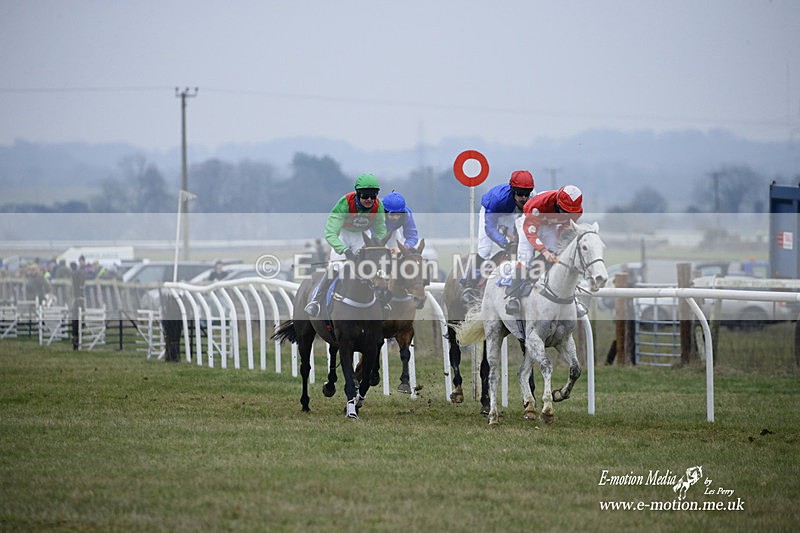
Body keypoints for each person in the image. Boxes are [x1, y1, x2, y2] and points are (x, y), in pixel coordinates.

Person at [304, 173, 388, 317]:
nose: (369, 199)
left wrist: (376, 246)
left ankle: (381, 302)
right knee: (336, 266)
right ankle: (316, 301)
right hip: (343, 234)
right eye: (365, 195)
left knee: (373, 267)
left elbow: (381, 231)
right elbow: (331, 233)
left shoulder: (378, 206)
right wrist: (344, 250)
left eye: (373, 195)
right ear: (357, 194)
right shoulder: (345, 204)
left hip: (362, 235)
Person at [504, 184, 585, 314]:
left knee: (557, 255)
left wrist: (557, 248)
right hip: (529, 223)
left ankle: (570, 297)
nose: (566, 214)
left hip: (550, 226)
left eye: (569, 212)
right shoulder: (538, 204)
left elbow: (565, 227)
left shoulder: (577, 212)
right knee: (526, 258)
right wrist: (544, 251)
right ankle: (513, 298)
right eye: (564, 210)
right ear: (557, 202)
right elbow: (531, 232)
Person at [460, 170, 535, 303]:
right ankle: (469, 286)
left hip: (512, 214)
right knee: (485, 250)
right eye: (520, 194)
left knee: (521, 247)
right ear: (513, 191)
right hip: (491, 214)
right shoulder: (498, 200)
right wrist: (504, 242)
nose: (524, 198)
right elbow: (490, 228)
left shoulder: (533, 198)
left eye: (526, 194)